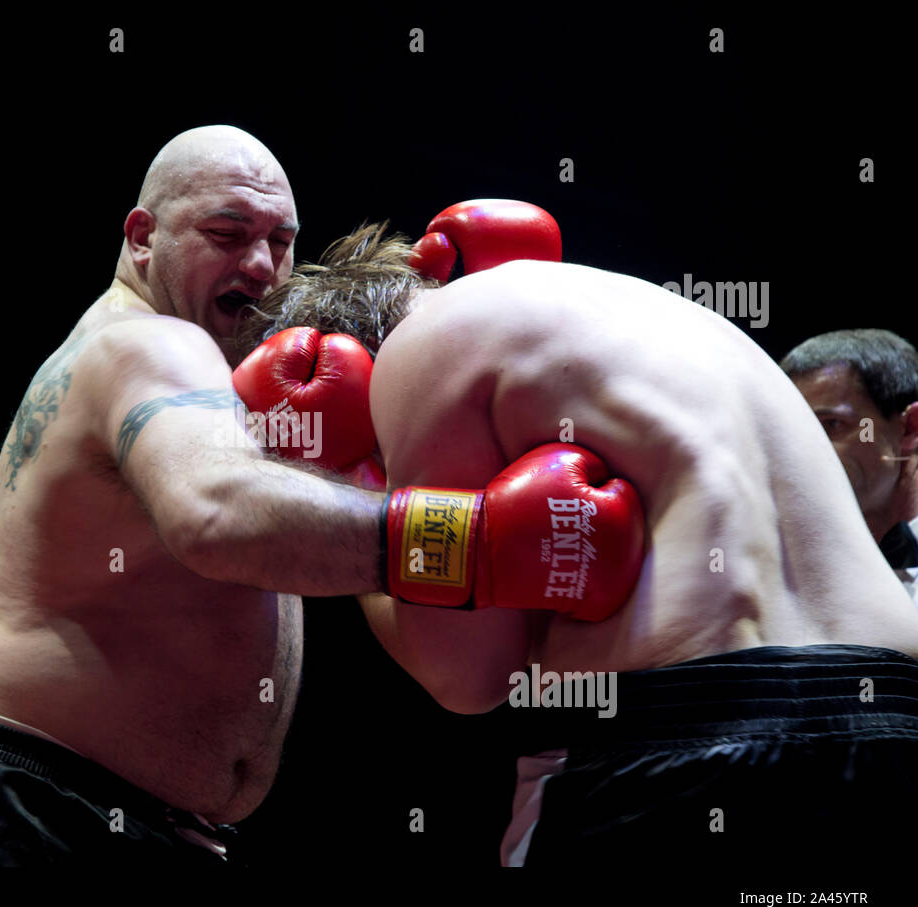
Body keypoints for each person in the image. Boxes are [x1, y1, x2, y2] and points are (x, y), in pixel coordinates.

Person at [0, 133, 639, 867]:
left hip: (121, 816)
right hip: (31, 806)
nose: (260, 264)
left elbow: (406, 619)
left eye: (281, 240)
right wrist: (477, 541)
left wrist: (378, 475)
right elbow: (214, 516)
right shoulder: (147, 346)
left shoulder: (237, 396)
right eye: (226, 233)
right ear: (143, 238)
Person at [240, 218, 918, 865]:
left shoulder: (424, 347)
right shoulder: (650, 313)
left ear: (347, 361)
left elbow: (466, 676)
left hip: (696, 740)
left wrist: (350, 481)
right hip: (894, 715)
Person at [780, 330, 918, 603]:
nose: (803, 451)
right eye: (794, 429)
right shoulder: (780, 569)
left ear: (910, 428)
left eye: (832, 425)